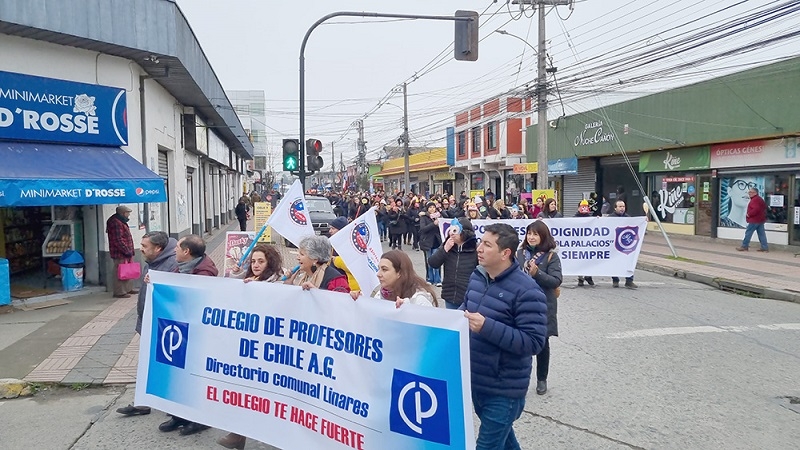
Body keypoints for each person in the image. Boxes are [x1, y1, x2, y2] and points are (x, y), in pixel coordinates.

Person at [460, 223, 547, 450]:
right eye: (481, 242)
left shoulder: (528, 290)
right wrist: (414, 312)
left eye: (487, 245)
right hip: (477, 382)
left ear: (505, 253)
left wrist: (487, 327)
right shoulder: (478, 278)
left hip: (504, 390)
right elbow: (461, 315)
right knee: (506, 443)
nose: (479, 248)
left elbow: (534, 342)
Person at [217, 244, 283, 449]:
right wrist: (236, 276)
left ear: (269, 262)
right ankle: (238, 435)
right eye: (253, 261)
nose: (255, 265)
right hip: (248, 347)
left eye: (261, 261)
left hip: (269, 350)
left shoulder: (279, 282)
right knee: (245, 393)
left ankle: (273, 436)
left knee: (266, 396)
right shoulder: (248, 280)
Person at [159, 234, 218, 436]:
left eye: (177, 247)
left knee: (195, 376)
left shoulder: (204, 273)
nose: (173, 250)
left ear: (187, 252)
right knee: (179, 373)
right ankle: (179, 415)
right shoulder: (181, 266)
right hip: (180, 328)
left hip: (196, 332)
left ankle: (199, 419)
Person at [116, 231, 177, 418]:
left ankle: (173, 405)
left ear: (158, 248)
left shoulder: (171, 264)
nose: (140, 250)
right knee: (146, 363)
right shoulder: (154, 261)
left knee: (168, 365)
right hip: (148, 320)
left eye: (144, 247)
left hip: (163, 325)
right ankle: (143, 402)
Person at [516, 220, 562, 395]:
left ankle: (542, 379)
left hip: (543, 305)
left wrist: (537, 273)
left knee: (542, 344)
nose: (531, 237)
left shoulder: (551, 256)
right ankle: (521, 378)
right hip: (521, 304)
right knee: (521, 343)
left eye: (535, 234)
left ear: (543, 236)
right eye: (529, 233)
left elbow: (556, 281)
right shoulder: (520, 254)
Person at [353, 250, 437, 307]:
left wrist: (408, 311)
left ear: (399, 273)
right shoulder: (379, 295)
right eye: (379, 269)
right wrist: (360, 302)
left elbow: (431, 330)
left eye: (384, 269)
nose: (378, 274)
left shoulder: (419, 300)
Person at [429, 217, 478, 309]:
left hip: (468, 297)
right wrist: (444, 250)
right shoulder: (447, 246)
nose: (451, 233)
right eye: (450, 230)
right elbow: (433, 263)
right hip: (450, 295)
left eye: (455, 230)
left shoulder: (475, 249)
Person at [285, 235, 350, 292]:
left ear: (315, 259)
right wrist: (289, 284)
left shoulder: (336, 280)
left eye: (302, 254)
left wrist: (316, 293)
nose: (297, 258)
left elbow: (341, 303)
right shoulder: (304, 276)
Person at [106, 205, 137, 298]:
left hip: (126, 251)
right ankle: (119, 291)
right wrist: (126, 250)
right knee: (119, 271)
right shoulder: (116, 222)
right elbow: (118, 239)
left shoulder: (121, 221)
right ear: (123, 213)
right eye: (128, 213)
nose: (129, 215)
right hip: (120, 252)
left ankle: (128, 288)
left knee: (128, 270)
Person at [610, 200, 638, 289]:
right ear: (615, 208)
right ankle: (615, 280)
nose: (622, 208)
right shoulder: (610, 218)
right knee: (614, 262)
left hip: (625, 245)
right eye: (620, 206)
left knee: (629, 261)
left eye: (623, 206)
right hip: (614, 245)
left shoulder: (628, 218)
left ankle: (629, 281)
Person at [328, 217, 360, 292]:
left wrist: (335, 260)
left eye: (333, 228)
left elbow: (354, 265)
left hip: (351, 287)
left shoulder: (351, 245)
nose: (330, 231)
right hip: (337, 283)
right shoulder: (334, 244)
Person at [736, 186, 769, 252]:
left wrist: (749, 214)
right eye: (749, 192)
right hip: (760, 220)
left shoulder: (755, 200)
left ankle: (744, 246)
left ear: (755, 193)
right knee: (761, 234)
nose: (749, 193)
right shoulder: (759, 199)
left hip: (754, 220)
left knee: (748, 233)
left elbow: (756, 209)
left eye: (751, 192)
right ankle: (764, 247)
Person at [418, 202, 443, 286]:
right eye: (430, 207)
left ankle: (438, 279)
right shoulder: (424, 218)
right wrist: (433, 224)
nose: (432, 209)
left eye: (433, 207)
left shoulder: (439, 216)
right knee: (429, 262)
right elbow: (423, 229)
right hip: (427, 242)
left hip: (437, 242)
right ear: (427, 209)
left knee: (437, 261)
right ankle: (430, 278)